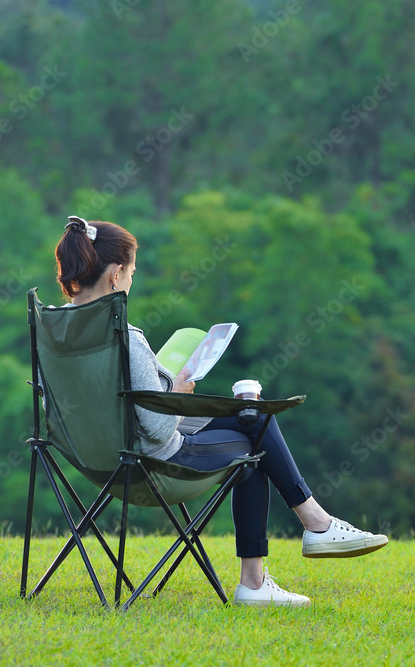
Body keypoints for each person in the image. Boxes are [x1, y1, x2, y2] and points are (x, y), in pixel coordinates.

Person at [53, 216, 388, 607]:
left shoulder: (55, 330)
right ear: (114, 275)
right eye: (131, 273)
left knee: (251, 416)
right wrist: (175, 391)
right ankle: (287, 551)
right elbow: (159, 432)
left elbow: (66, 407)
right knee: (254, 438)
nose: (130, 282)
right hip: (149, 467)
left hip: (94, 463)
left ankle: (308, 532)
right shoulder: (125, 337)